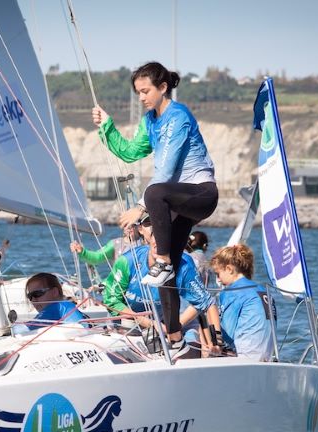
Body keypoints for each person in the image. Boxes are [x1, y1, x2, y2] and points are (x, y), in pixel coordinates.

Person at [92, 61, 218, 350]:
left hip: (200, 194)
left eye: (145, 91)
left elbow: (168, 171)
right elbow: (129, 151)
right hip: (174, 199)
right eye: (137, 92)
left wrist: (140, 207)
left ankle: (161, 258)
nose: (141, 97)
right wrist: (107, 126)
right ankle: (175, 339)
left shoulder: (179, 116)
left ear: (163, 88)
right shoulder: (149, 120)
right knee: (167, 276)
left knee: (155, 194)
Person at [103, 213, 220, 358]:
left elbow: (206, 302)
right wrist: (149, 323)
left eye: (165, 240)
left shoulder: (183, 265)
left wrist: (216, 341)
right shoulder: (128, 261)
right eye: (156, 238)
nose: (160, 244)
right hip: (124, 326)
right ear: (147, 238)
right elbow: (110, 299)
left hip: (161, 328)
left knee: (188, 352)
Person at [0, 272, 88, 351]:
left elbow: (28, 327)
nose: (34, 300)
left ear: (55, 292)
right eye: (30, 296)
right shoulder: (65, 307)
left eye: (37, 294)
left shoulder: (57, 307)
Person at [210, 244, 274, 361]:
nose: (218, 279)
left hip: (245, 358)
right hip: (267, 357)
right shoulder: (264, 291)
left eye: (217, 274)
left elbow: (227, 334)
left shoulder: (232, 291)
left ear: (229, 269)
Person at [69, 224, 141, 266]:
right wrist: (82, 251)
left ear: (139, 227)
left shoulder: (146, 243)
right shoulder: (116, 244)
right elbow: (98, 257)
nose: (130, 228)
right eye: (126, 225)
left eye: (133, 225)